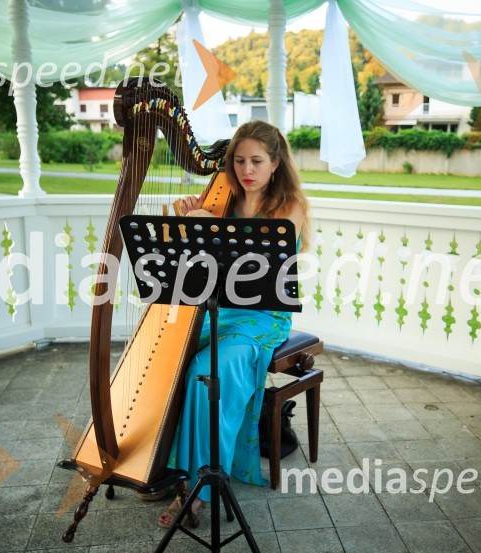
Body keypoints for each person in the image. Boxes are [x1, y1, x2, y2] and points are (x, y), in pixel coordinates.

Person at [157, 120, 310, 529]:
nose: (247, 170)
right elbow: (196, 270)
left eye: (257, 161)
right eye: (239, 160)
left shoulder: (289, 206)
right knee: (166, 361)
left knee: (208, 372)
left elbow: (256, 262)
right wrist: (192, 227)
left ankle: (197, 492)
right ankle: (162, 463)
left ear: (276, 164)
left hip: (262, 317)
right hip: (219, 310)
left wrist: (208, 223)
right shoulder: (222, 201)